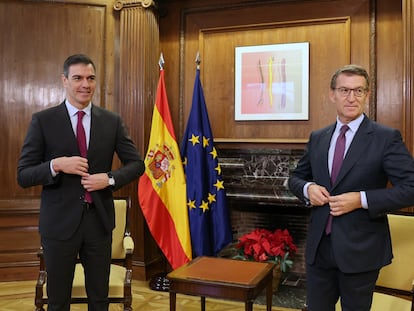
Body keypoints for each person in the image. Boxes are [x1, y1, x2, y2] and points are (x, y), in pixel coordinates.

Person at [17, 54, 145, 311]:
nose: (85, 84)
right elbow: (24, 175)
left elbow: (137, 165)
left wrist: (108, 179)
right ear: (64, 80)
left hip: (99, 223)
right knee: (58, 301)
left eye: (90, 78)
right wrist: (57, 165)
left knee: (99, 300)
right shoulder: (43, 121)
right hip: (59, 225)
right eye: (77, 78)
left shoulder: (112, 121)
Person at [288, 64, 414, 311]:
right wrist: (308, 189)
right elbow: (296, 178)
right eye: (344, 90)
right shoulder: (318, 137)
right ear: (332, 94)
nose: (351, 97)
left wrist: (362, 199)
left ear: (367, 95)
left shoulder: (386, 137)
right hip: (319, 250)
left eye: (358, 91)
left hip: (361, 251)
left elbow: (411, 187)